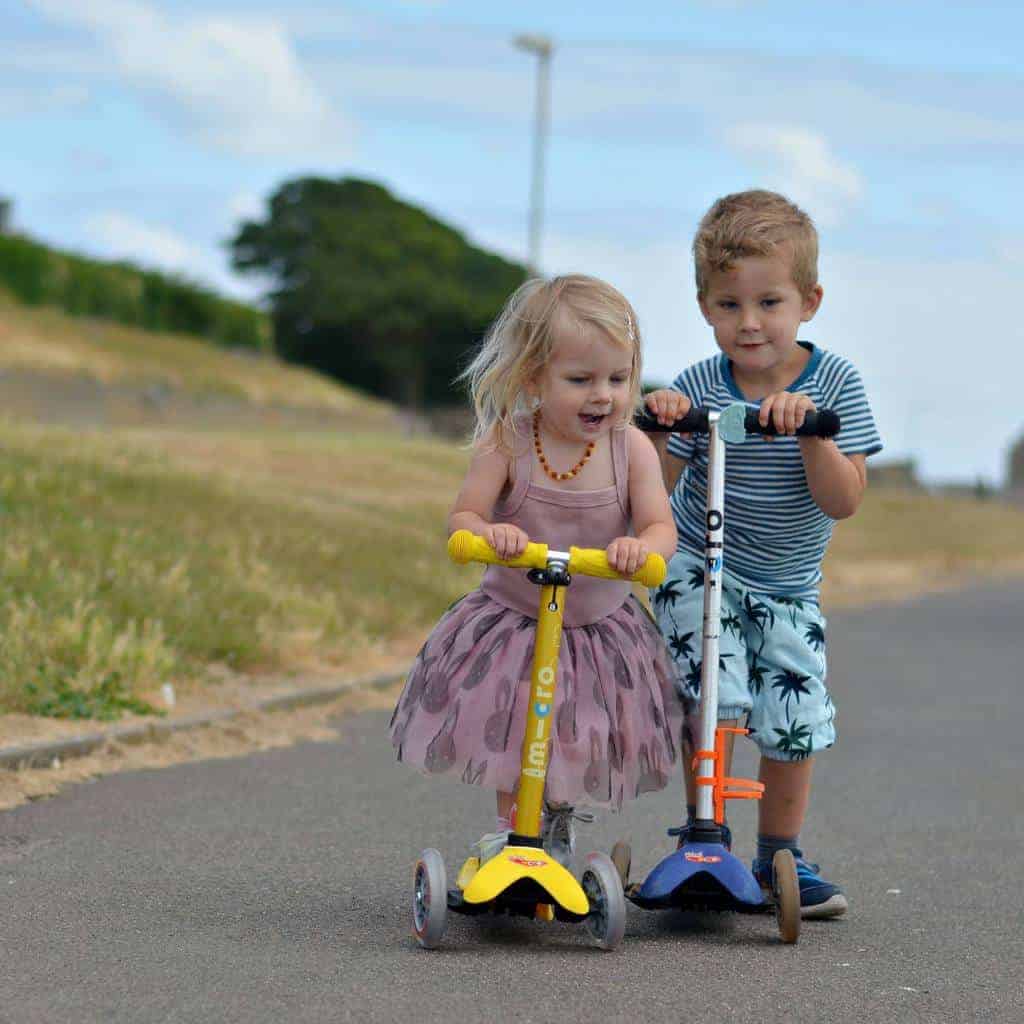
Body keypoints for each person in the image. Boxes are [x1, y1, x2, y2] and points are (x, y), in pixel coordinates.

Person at [390, 274, 683, 868]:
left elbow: (661, 528)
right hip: (516, 619)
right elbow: (463, 517)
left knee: (577, 732)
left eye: (619, 379)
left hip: (598, 626)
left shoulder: (633, 450)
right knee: (519, 727)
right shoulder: (508, 442)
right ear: (532, 379)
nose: (603, 395)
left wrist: (640, 548)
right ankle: (512, 831)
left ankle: (557, 823)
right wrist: (487, 533)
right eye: (580, 380)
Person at [644, 190, 882, 918]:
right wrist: (656, 432)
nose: (748, 324)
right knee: (714, 698)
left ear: (808, 301)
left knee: (792, 719)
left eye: (768, 303)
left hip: (788, 588)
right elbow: (653, 495)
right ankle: (702, 836)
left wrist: (814, 433)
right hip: (701, 569)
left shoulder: (835, 383)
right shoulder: (697, 385)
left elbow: (843, 500)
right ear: (703, 305)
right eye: (727, 305)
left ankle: (780, 852)